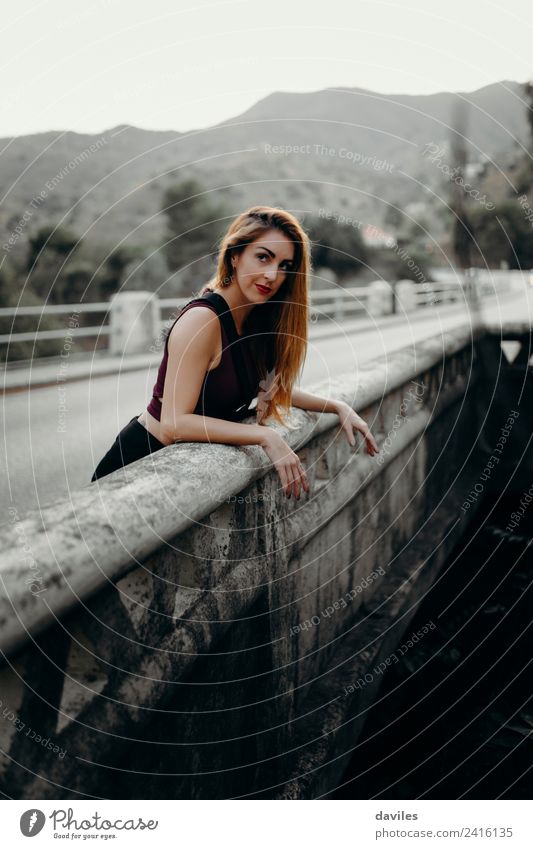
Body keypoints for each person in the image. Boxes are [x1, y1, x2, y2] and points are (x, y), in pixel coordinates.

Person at [90, 205, 379, 497]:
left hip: (186, 479)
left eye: (284, 266)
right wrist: (264, 436)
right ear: (235, 255)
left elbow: (273, 389)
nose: (272, 275)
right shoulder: (203, 320)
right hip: (139, 464)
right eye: (263, 257)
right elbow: (173, 424)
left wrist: (338, 407)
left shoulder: (254, 323)